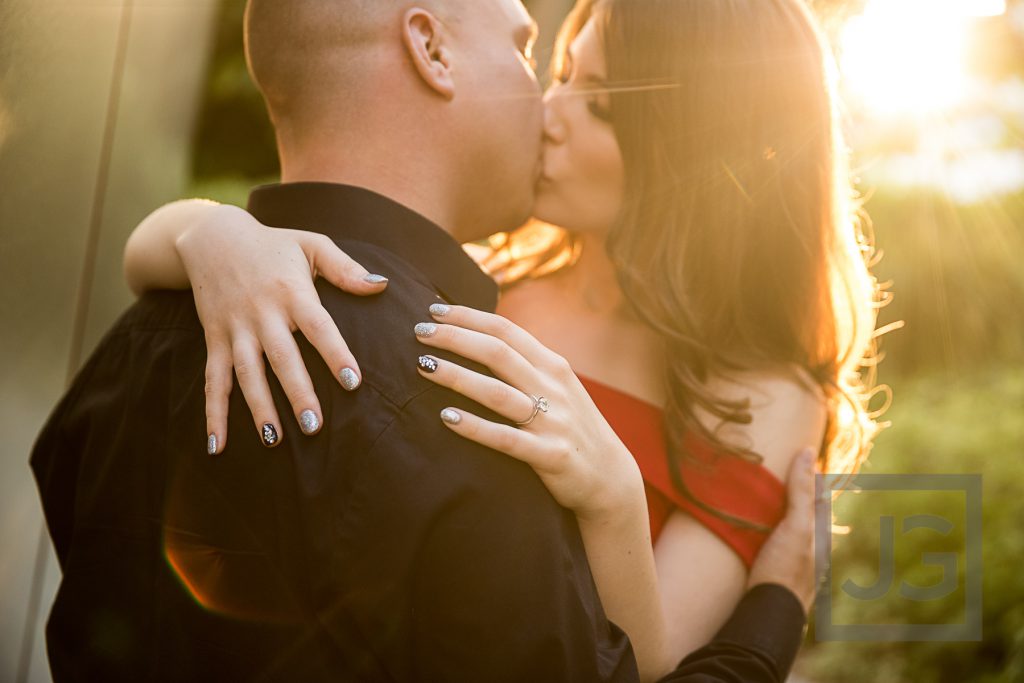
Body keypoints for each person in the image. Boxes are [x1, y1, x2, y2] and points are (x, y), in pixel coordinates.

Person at [31, 0, 825, 681]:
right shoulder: (477, 287)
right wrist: (214, 230)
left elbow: (648, 668)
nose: (547, 113)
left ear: (700, 151)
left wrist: (616, 494)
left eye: (598, 103)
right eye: (557, 72)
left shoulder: (757, 395)